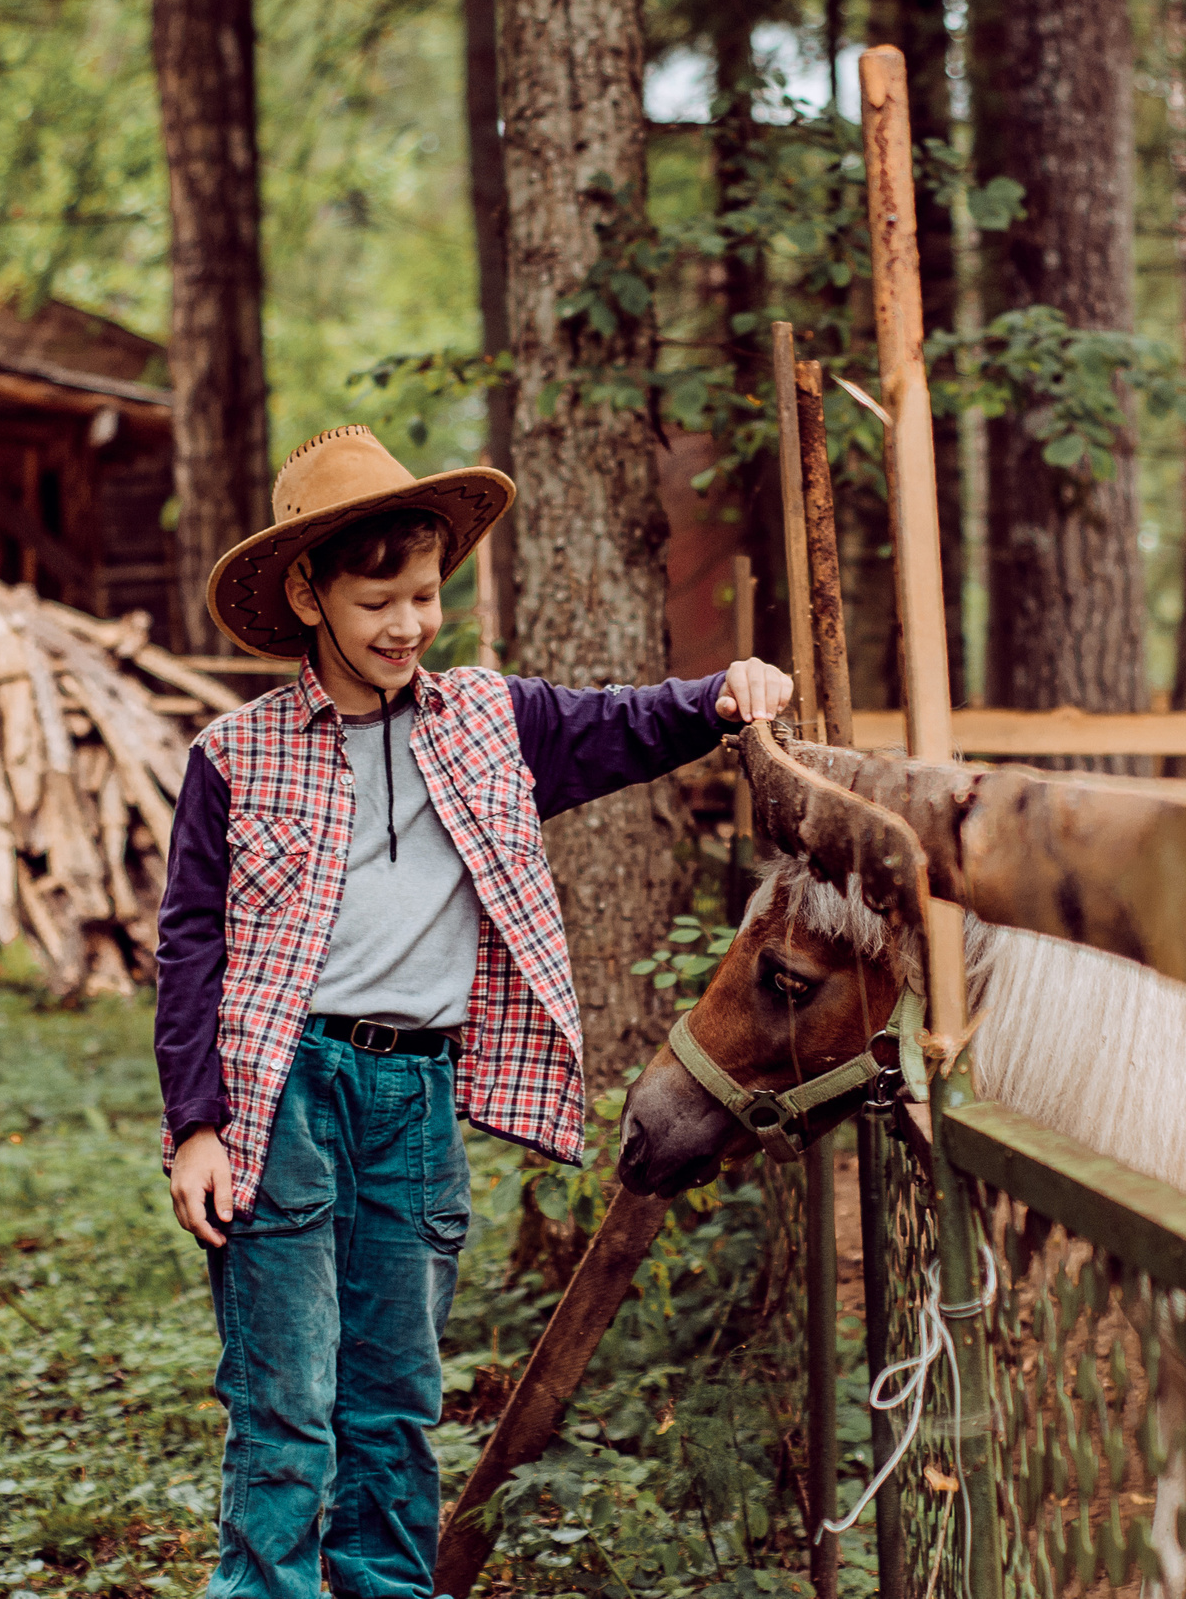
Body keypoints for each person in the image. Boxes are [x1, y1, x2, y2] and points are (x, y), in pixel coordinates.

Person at [153, 425, 792, 1599]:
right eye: (375, 598)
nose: (404, 625)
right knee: (286, 1401)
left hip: (414, 1095)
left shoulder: (495, 724)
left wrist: (725, 692)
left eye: (423, 595)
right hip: (278, 1093)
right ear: (307, 593)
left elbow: (629, 723)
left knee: (394, 1398)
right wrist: (196, 1122)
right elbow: (191, 947)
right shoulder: (233, 756)